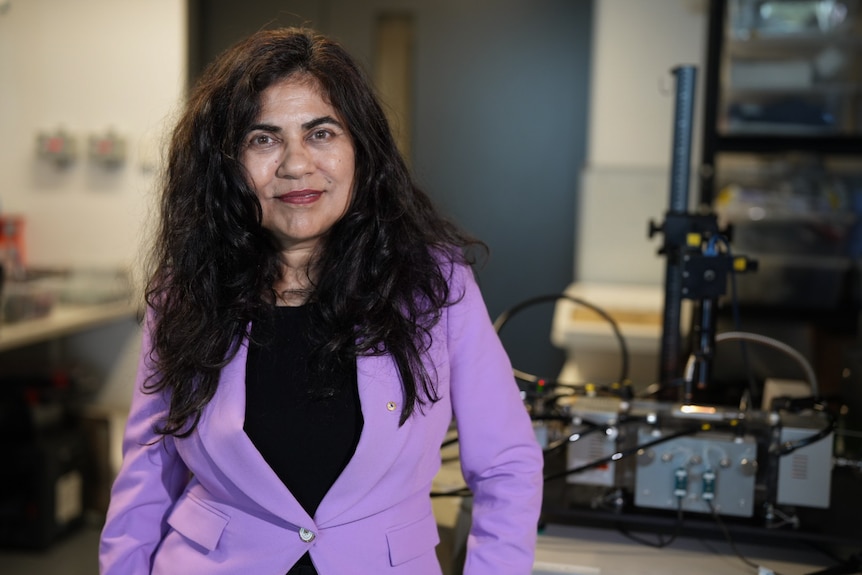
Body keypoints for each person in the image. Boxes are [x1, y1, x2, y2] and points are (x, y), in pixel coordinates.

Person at [99, 27, 543, 575]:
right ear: (227, 165)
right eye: (263, 139)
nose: (295, 164)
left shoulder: (435, 285)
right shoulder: (187, 292)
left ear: (361, 148)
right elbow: (148, 470)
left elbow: (506, 466)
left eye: (321, 133)